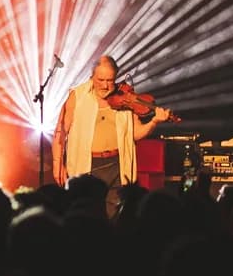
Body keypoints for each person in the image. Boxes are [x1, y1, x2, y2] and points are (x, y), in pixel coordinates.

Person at [52, 55, 173, 207]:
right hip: (87, 165)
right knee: (87, 210)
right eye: (100, 80)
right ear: (92, 76)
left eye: (109, 80)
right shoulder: (77, 96)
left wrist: (154, 121)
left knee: (115, 214)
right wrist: (57, 164)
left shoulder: (125, 97)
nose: (105, 86)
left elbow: (136, 134)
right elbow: (60, 132)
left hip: (117, 164)